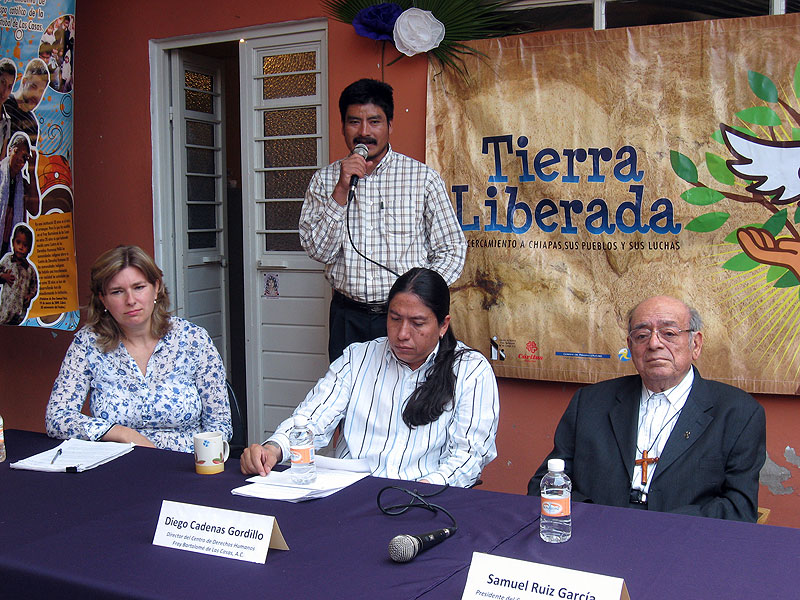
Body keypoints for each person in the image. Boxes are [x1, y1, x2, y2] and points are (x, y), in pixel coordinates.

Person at [240, 267, 498, 487]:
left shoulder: (470, 371)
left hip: (423, 500)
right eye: (395, 319)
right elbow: (312, 418)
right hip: (347, 494)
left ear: (443, 325)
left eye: (417, 323)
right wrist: (273, 449)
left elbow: (469, 455)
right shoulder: (358, 359)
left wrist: (431, 487)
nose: (402, 334)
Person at [528, 296, 766, 521]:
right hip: (596, 533)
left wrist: (658, 527)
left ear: (696, 344)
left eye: (669, 333)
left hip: (684, 544)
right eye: (642, 335)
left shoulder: (738, 413)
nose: (654, 343)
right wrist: (600, 521)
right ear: (630, 346)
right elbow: (546, 483)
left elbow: (739, 509)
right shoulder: (590, 402)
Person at [299, 78, 467, 362]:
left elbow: (452, 248)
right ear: (342, 126)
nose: (364, 132)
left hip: (406, 320)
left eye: (374, 122)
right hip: (347, 316)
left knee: (409, 398)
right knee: (351, 401)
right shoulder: (325, 180)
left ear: (390, 125)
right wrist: (340, 190)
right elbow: (318, 250)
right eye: (354, 122)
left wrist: (420, 302)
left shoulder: (422, 178)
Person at [46, 245, 232, 452]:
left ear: (156, 287)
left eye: (139, 287)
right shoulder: (88, 343)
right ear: (103, 298)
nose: (131, 300)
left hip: (185, 464)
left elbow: (220, 424)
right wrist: (121, 433)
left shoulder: (193, 339)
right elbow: (57, 417)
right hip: (116, 463)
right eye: (117, 292)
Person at [0, 133, 38, 255]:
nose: (19, 160)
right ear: (10, 150)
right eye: (16, 152)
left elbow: (34, 210)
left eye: (24, 158)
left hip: (9, 248)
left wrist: (32, 171)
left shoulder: (23, 185)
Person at [4, 58, 49, 147]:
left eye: (41, 91)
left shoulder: (33, 126)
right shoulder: (4, 102)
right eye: (33, 86)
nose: (36, 95)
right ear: (24, 82)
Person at [0, 223, 38, 325]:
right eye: (18, 242)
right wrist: (3, 276)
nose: (21, 247)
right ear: (13, 243)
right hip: (6, 308)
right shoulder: (7, 260)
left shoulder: (30, 269)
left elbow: (34, 287)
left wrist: (30, 295)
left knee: (17, 328)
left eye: (25, 245)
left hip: (21, 309)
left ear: (30, 248)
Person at [0, 58, 16, 157]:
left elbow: (2, 160)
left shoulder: (7, 121)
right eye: (3, 82)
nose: (5, 91)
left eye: (10, 86)